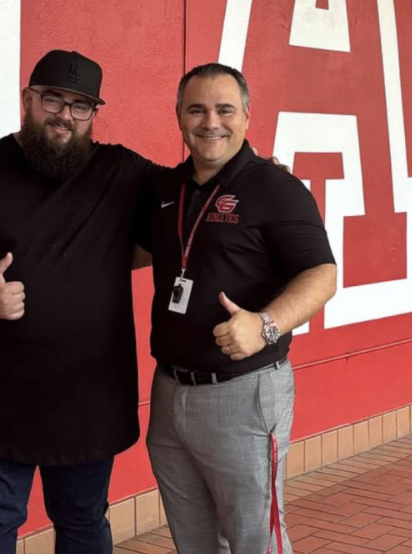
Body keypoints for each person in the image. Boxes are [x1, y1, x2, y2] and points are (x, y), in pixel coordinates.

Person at [0, 50, 160, 554]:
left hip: (90, 400)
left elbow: (190, 204)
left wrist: (254, 177)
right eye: (52, 99)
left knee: (84, 522)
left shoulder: (123, 172)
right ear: (28, 100)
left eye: (80, 105)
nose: (65, 115)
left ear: (93, 114)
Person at [140, 63, 337, 554]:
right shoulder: (166, 190)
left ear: (248, 116)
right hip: (168, 392)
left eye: (225, 109)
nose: (211, 122)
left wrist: (265, 325)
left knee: (254, 539)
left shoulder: (276, 189)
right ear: (179, 117)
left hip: (243, 392)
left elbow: (323, 275)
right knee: (194, 540)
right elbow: (136, 251)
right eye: (197, 109)